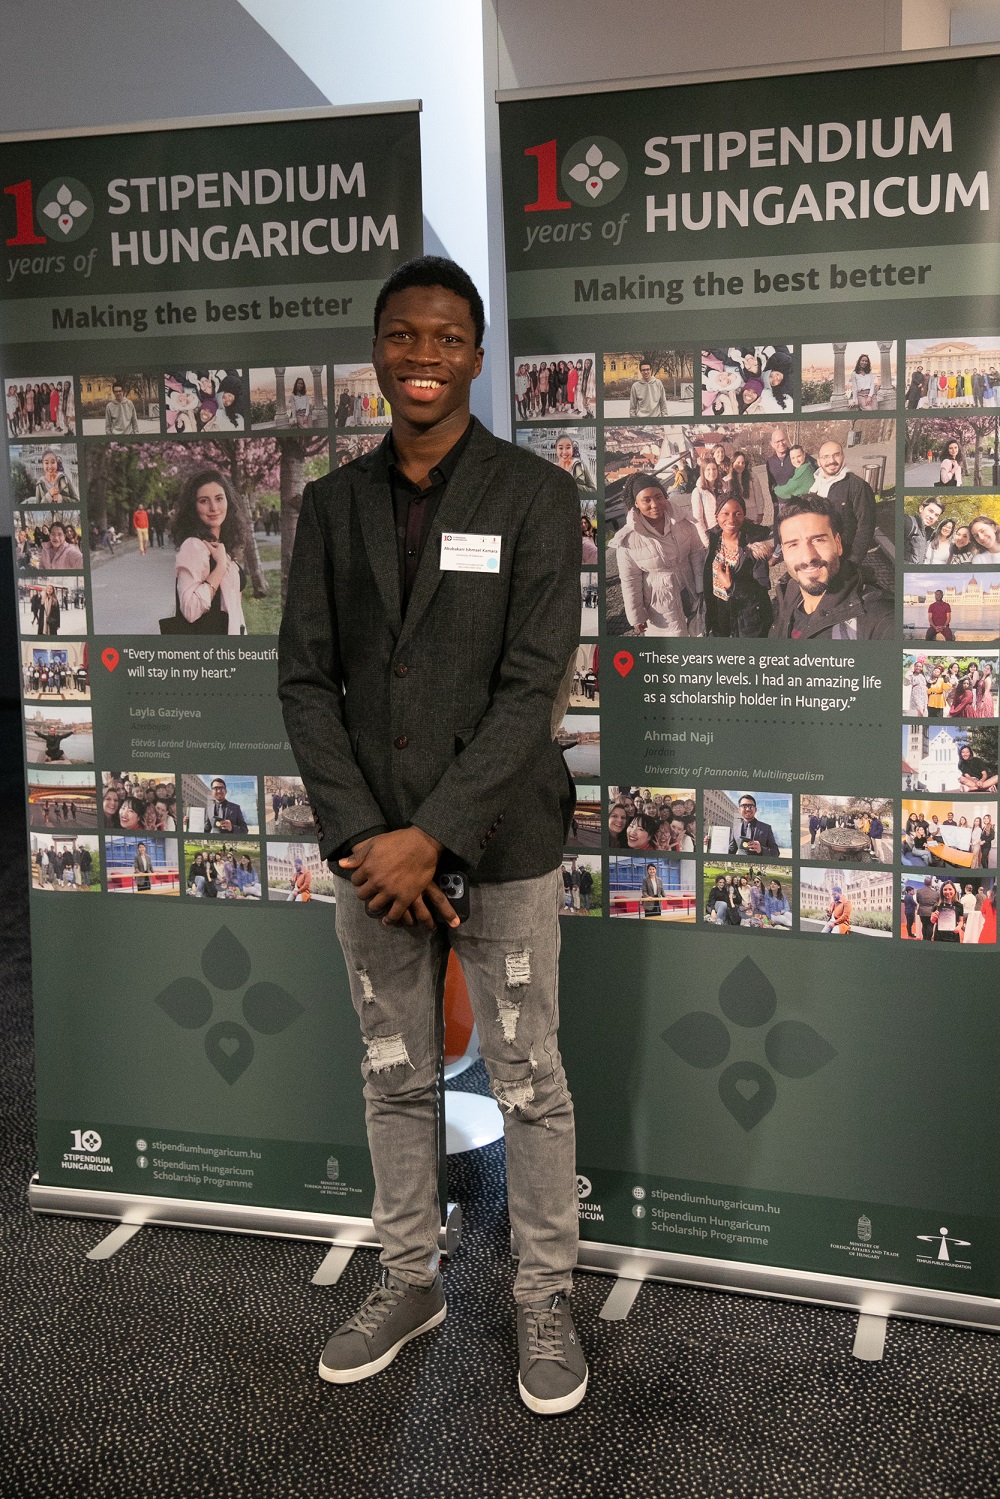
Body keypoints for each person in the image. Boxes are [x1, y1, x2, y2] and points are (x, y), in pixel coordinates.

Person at [278, 257, 587, 1412]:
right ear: (378, 351)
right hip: (373, 856)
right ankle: (409, 1278)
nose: (423, 355)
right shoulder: (332, 505)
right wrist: (369, 835)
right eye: (403, 335)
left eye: (446, 337)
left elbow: (530, 687)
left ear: (475, 355)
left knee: (529, 1077)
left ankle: (542, 1294)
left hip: (502, 841)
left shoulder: (534, 495)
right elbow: (306, 681)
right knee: (394, 1071)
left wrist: (434, 834)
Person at [770, 497, 892, 641]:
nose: (807, 558)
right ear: (783, 552)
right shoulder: (788, 591)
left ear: (838, 544)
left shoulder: (879, 617)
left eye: (818, 540)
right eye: (793, 544)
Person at [609, 472, 704, 637]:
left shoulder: (683, 521)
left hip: (690, 589)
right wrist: (636, 616)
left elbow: (696, 553)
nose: (655, 504)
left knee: (698, 634)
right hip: (659, 603)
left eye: (658, 497)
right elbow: (630, 580)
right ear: (636, 503)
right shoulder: (628, 540)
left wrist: (700, 587)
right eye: (646, 500)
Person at [169, 469, 246, 635]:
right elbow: (190, 610)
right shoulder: (193, 546)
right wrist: (220, 568)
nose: (213, 507)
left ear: (228, 501)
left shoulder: (220, 544)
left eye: (219, 498)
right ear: (193, 507)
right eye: (204, 501)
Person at [704, 496, 773, 638]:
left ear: (744, 516)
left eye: (738, 514)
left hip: (746, 616)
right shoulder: (714, 539)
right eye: (725, 513)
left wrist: (732, 585)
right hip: (720, 609)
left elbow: (761, 590)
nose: (731, 519)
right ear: (716, 516)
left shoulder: (754, 548)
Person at [809, 441, 876, 565]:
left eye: (836, 455)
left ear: (843, 457)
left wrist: (854, 560)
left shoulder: (857, 486)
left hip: (844, 558)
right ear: (819, 461)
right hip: (819, 556)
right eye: (825, 457)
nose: (831, 460)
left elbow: (866, 525)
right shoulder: (814, 486)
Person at [904, 498, 944, 564]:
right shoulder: (908, 522)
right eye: (930, 511)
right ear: (921, 509)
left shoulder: (929, 533)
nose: (932, 516)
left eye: (936, 515)